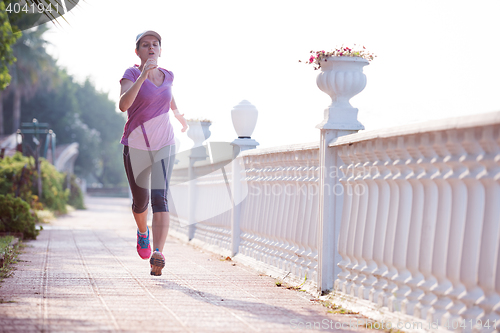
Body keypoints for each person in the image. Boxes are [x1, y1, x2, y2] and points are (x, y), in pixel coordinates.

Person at [119, 30, 188, 276]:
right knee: (141, 202)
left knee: (161, 199)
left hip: (164, 144)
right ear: (137, 51)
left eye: (155, 44)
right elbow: (123, 105)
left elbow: (168, 95)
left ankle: (158, 253)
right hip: (136, 145)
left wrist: (178, 114)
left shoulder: (168, 75)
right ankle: (142, 232)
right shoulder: (131, 74)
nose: (151, 48)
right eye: (145, 45)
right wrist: (143, 76)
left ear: (160, 50)